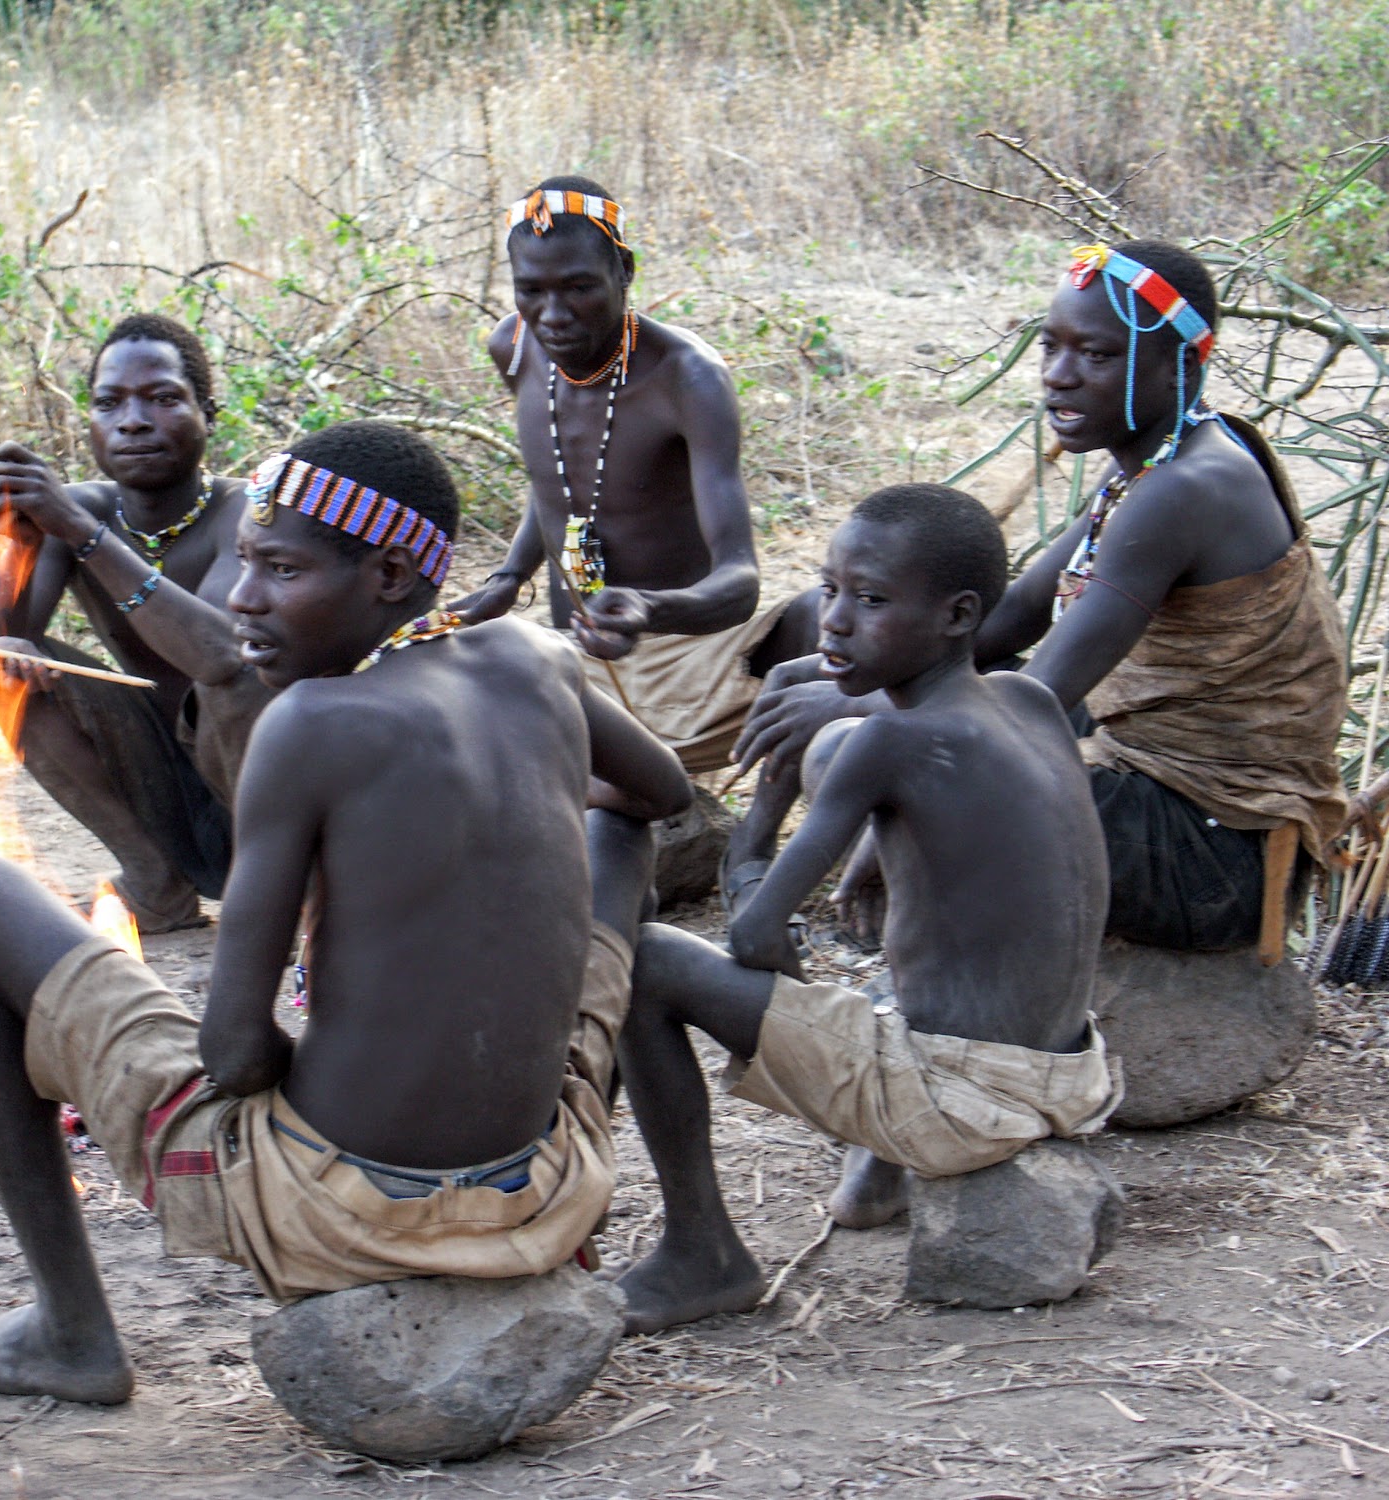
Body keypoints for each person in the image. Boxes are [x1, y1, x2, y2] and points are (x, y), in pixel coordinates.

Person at [0, 421, 692, 1399]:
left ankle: (70, 1329)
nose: (240, 599)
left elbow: (234, 1055)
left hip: (334, 1208)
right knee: (614, 839)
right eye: (243, 562)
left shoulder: (310, 725)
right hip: (543, 1181)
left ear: (393, 576)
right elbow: (659, 793)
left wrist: (309, 1080)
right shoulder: (534, 660)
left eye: (280, 569)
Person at [733, 243, 1347, 952]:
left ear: (1180, 368)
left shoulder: (1185, 489)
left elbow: (1034, 700)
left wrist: (850, 705)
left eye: (1097, 356)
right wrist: (843, 670)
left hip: (1213, 856)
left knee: (855, 748)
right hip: (1164, 796)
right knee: (843, 655)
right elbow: (1014, 614)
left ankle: (928, 972)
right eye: (1051, 346)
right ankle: (747, 865)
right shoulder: (1153, 465)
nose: (1059, 377)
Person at [615, 485, 1122, 1333]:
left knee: (647, 959)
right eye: (829, 590)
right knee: (907, 958)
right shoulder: (1030, 701)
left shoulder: (892, 742)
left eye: (873, 600)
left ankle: (700, 1252)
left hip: (965, 1099)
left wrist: (751, 842)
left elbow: (752, 934)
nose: (835, 623)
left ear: (959, 614)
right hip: (1073, 1072)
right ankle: (878, 1174)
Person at [452, 175, 818, 815]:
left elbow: (740, 579)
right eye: (530, 291)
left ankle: (734, 827)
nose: (553, 316)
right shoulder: (513, 348)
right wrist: (511, 574)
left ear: (624, 269)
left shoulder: (689, 378)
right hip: (575, 676)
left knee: (824, 619)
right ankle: (621, 798)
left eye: (579, 287)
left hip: (693, 668)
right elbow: (557, 481)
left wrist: (649, 610)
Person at [0, 315, 270, 932]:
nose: (132, 421)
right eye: (110, 404)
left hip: (263, 780)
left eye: (162, 399)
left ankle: (281, 894)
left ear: (208, 414)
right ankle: (156, 884)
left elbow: (220, 658)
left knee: (229, 686)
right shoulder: (77, 510)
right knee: (11, 665)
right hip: (157, 768)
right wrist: (23, 543)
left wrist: (82, 533)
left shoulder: (247, 512)